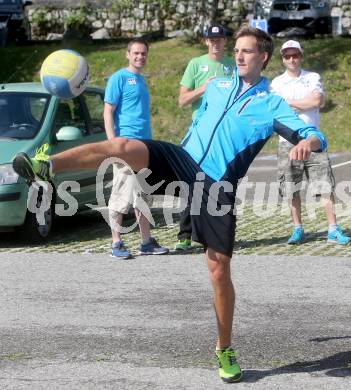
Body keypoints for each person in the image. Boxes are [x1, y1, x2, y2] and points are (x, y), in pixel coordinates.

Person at [13, 27, 327, 384]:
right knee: (123, 146)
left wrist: (309, 142)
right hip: (181, 160)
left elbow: (313, 135)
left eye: (247, 51)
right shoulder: (218, 86)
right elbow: (195, 114)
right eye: (237, 50)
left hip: (215, 184)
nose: (239, 56)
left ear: (263, 57)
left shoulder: (271, 104)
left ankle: (224, 347)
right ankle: (46, 165)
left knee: (219, 270)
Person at [270, 40, 351, 246]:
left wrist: (289, 103)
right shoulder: (276, 83)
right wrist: (300, 104)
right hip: (287, 141)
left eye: (295, 55)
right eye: (287, 56)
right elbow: (276, 111)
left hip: (313, 139)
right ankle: (297, 228)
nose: (291, 59)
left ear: (301, 56)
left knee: (324, 184)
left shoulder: (312, 77)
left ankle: (333, 229)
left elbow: (316, 102)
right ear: (282, 58)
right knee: (290, 187)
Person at [105, 38, 168, 258]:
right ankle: (116, 243)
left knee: (143, 196)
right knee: (120, 195)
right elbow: (108, 111)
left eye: (143, 53)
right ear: (127, 54)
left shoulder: (140, 80)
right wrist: (112, 141)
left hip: (144, 147)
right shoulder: (119, 78)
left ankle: (146, 242)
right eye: (136, 53)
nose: (140, 57)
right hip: (125, 146)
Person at [175, 24, 235, 251]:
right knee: (194, 185)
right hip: (200, 136)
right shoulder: (195, 64)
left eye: (220, 39)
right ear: (206, 41)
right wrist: (203, 88)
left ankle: (217, 235)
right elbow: (182, 101)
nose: (216, 43)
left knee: (223, 186)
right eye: (212, 39)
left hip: (224, 135)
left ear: (225, 41)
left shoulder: (232, 65)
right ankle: (185, 235)